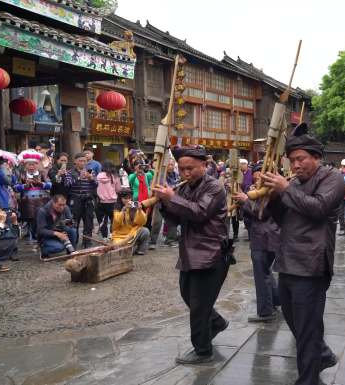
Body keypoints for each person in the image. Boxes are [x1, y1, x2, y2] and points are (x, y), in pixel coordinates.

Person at [260, 123, 345, 385]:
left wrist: (285, 189)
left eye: (301, 159)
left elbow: (318, 208)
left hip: (311, 263)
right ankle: (321, 354)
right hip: (287, 259)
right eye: (292, 160)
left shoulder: (333, 179)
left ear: (316, 158)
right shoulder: (295, 183)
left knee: (308, 328)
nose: (295, 165)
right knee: (295, 322)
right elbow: (280, 218)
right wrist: (273, 197)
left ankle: (308, 380)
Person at [153, 145, 230, 365]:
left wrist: (172, 198)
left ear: (204, 166)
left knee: (198, 305)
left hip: (211, 253)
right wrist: (165, 203)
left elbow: (199, 213)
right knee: (188, 295)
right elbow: (177, 220)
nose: (185, 173)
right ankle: (216, 322)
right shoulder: (185, 188)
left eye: (191, 168)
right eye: (182, 168)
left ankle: (202, 350)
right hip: (189, 251)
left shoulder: (214, 187)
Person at [233, 163, 281, 323]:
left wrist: (246, 200)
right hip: (263, 234)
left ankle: (265, 311)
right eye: (255, 174)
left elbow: (262, 213)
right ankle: (275, 300)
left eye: (260, 173)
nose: (257, 176)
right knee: (265, 271)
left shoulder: (272, 190)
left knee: (261, 274)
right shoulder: (257, 187)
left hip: (266, 236)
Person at [14, 150, 51, 241]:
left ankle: (41, 236)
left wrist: (40, 184)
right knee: (30, 220)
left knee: (41, 219)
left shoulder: (42, 174)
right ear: (25, 165)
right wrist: (24, 186)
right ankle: (31, 237)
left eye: (33, 164)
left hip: (42, 201)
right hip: (27, 202)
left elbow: (50, 185)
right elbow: (16, 187)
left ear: (37, 164)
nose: (31, 167)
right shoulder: (22, 175)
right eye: (29, 164)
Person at [66, 153, 97, 249]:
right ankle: (74, 242)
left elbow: (96, 184)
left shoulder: (90, 171)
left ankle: (87, 242)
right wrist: (79, 178)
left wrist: (91, 179)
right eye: (80, 161)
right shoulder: (70, 172)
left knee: (88, 222)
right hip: (75, 199)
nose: (83, 163)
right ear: (75, 161)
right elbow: (67, 184)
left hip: (88, 199)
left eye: (84, 161)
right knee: (74, 222)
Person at [110, 189, 150, 255]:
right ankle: (131, 247)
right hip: (119, 235)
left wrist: (140, 210)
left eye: (129, 198)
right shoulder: (117, 208)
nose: (128, 200)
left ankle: (140, 249)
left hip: (132, 232)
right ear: (120, 199)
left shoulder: (134, 206)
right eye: (125, 198)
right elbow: (116, 222)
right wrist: (123, 210)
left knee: (145, 231)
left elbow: (142, 222)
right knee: (119, 249)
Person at [96, 161, 121, 239]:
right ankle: (111, 235)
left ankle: (104, 237)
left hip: (101, 202)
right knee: (114, 219)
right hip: (113, 202)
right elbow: (118, 189)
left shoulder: (98, 176)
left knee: (103, 220)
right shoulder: (115, 176)